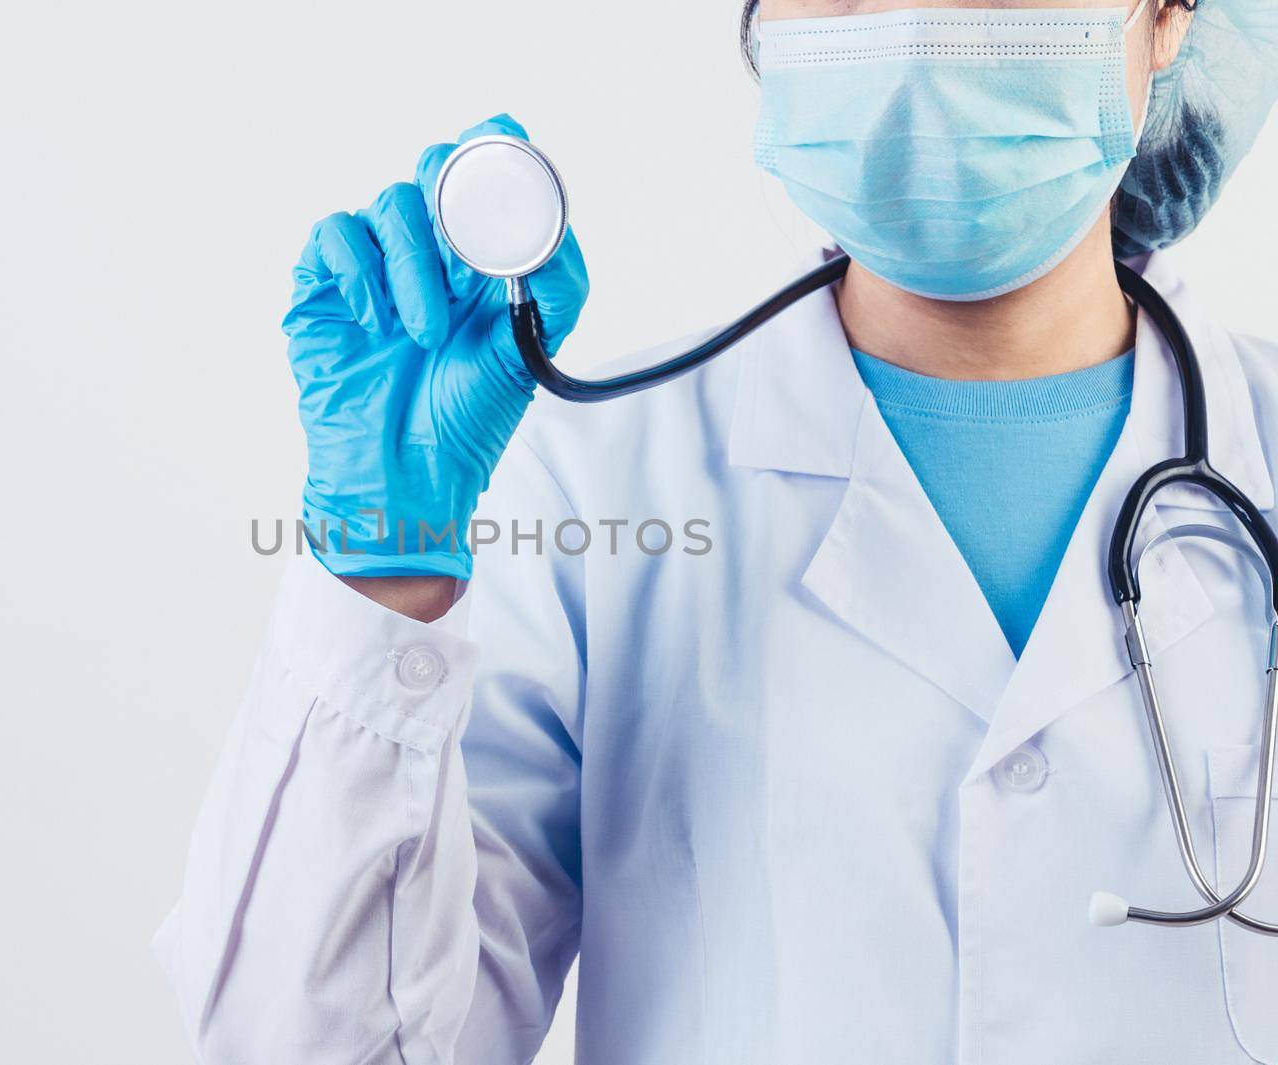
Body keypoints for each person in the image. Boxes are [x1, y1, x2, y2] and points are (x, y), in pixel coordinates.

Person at [157, 1, 1278, 1061]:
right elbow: (329, 1045)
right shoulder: (601, 485)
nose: (919, 24)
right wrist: (382, 571)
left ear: (1170, 13)